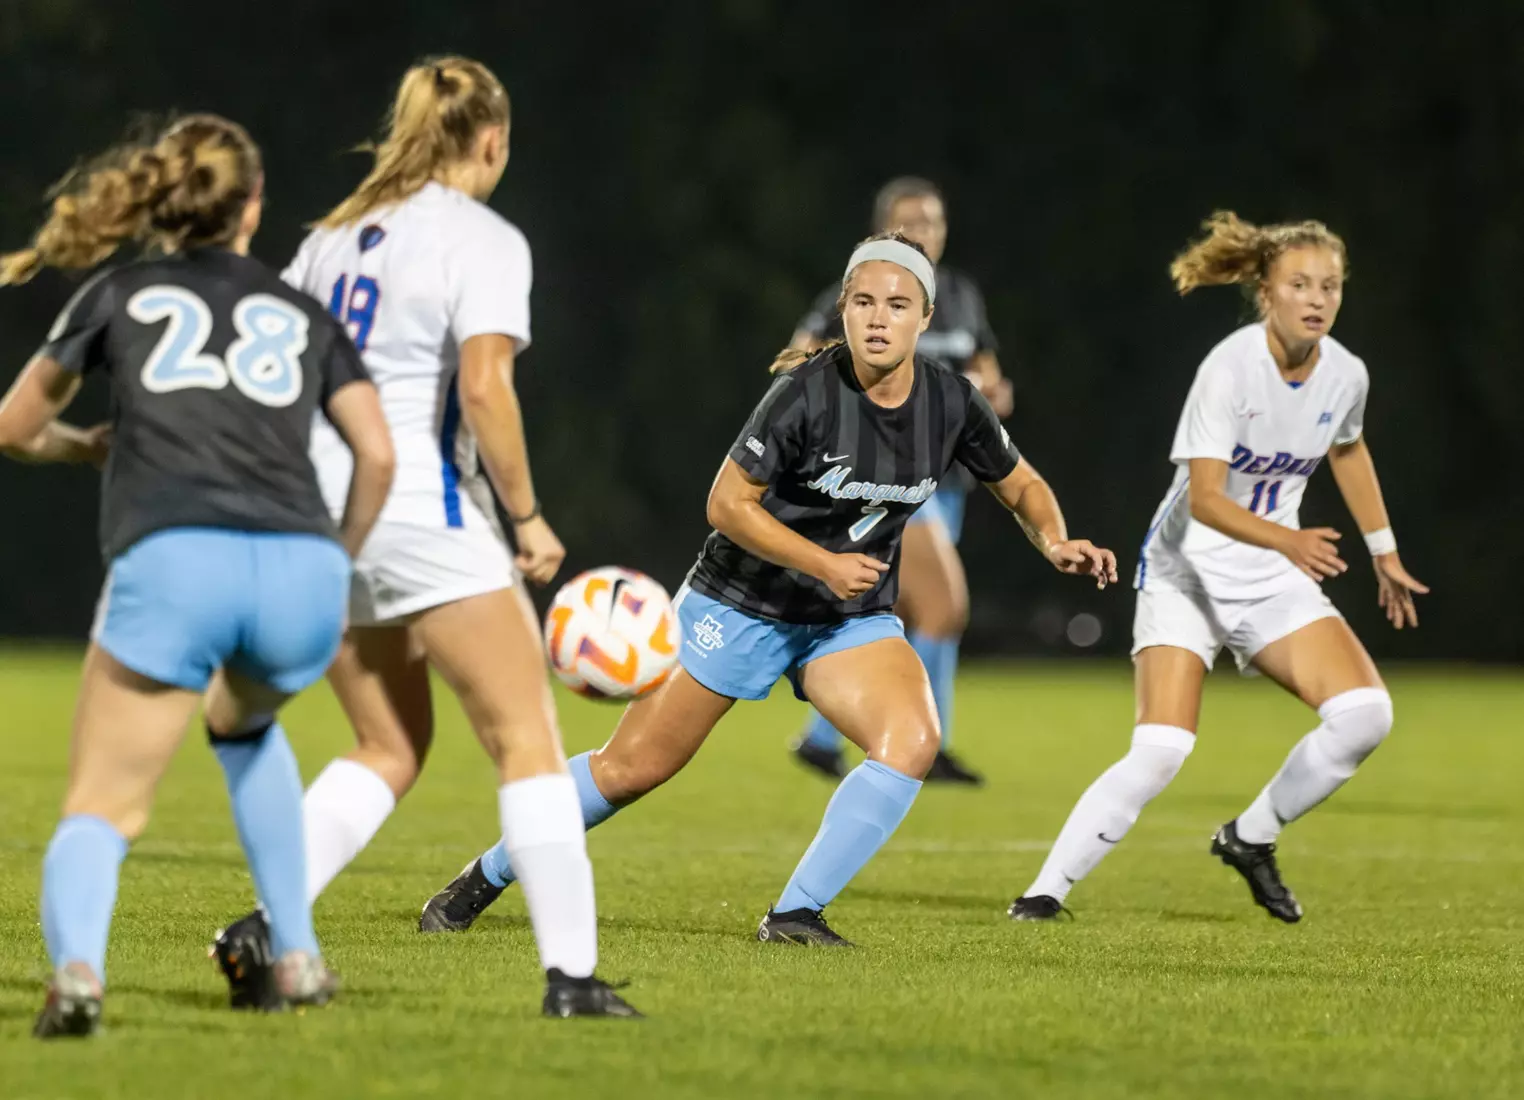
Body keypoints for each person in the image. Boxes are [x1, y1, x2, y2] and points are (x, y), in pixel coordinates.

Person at [419, 232, 1117, 945]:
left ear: (925, 318)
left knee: (911, 738)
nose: (879, 318)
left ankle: (794, 914)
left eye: (897, 305)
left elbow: (1019, 482)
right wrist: (822, 563)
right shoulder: (804, 394)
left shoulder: (951, 401)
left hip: (846, 619)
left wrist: (1055, 539)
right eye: (864, 302)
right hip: (740, 603)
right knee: (631, 769)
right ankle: (484, 875)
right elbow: (726, 505)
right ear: (843, 309)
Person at [207, 56, 637, 1019]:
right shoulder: (481, 238)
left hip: (320, 516)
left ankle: (267, 928)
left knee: (389, 743)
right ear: (492, 139)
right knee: (528, 740)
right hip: (420, 506)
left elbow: (271, 372)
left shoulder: (328, 239)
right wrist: (526, 517)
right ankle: (571, 979)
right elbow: (483, 385)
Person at [0, 114, 396, 1037]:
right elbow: (377, 454)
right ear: (251, 205)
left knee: (102, 804)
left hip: (178, 558)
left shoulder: (117, 293)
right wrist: (337, 559)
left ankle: (79, 976)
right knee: (244, 723)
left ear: (159, 198)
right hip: (300, 569)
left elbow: (13, 426)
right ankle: (295, 950)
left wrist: (80, 447)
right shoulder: (302, 311)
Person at [1010, 212, 1428, 924]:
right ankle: (1043, 894)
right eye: (1300, 284)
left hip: (1268, 573)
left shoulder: (1346, 374)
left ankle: (1250, 837)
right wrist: (1289, 541)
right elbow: (1205, 500)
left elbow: (1348, 448)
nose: (1317, 299)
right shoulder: (1229, 368)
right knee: (1162, 749)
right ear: (1266, 292)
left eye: (1330, 286)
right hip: (1187, 573)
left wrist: (1383, 551)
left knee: (1365, 716)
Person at [787, 177, 1013, 785]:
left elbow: (988, 372)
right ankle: (921, 744)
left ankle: (822, 737)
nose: (924, 233)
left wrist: (992, 394)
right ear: (883, 230)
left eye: (933, 222)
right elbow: (798, 360)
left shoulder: (959, 295)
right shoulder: (863, 293)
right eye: (910, 222)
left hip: (950, 479)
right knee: (942, 608)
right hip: (885, 478)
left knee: (903, 612)